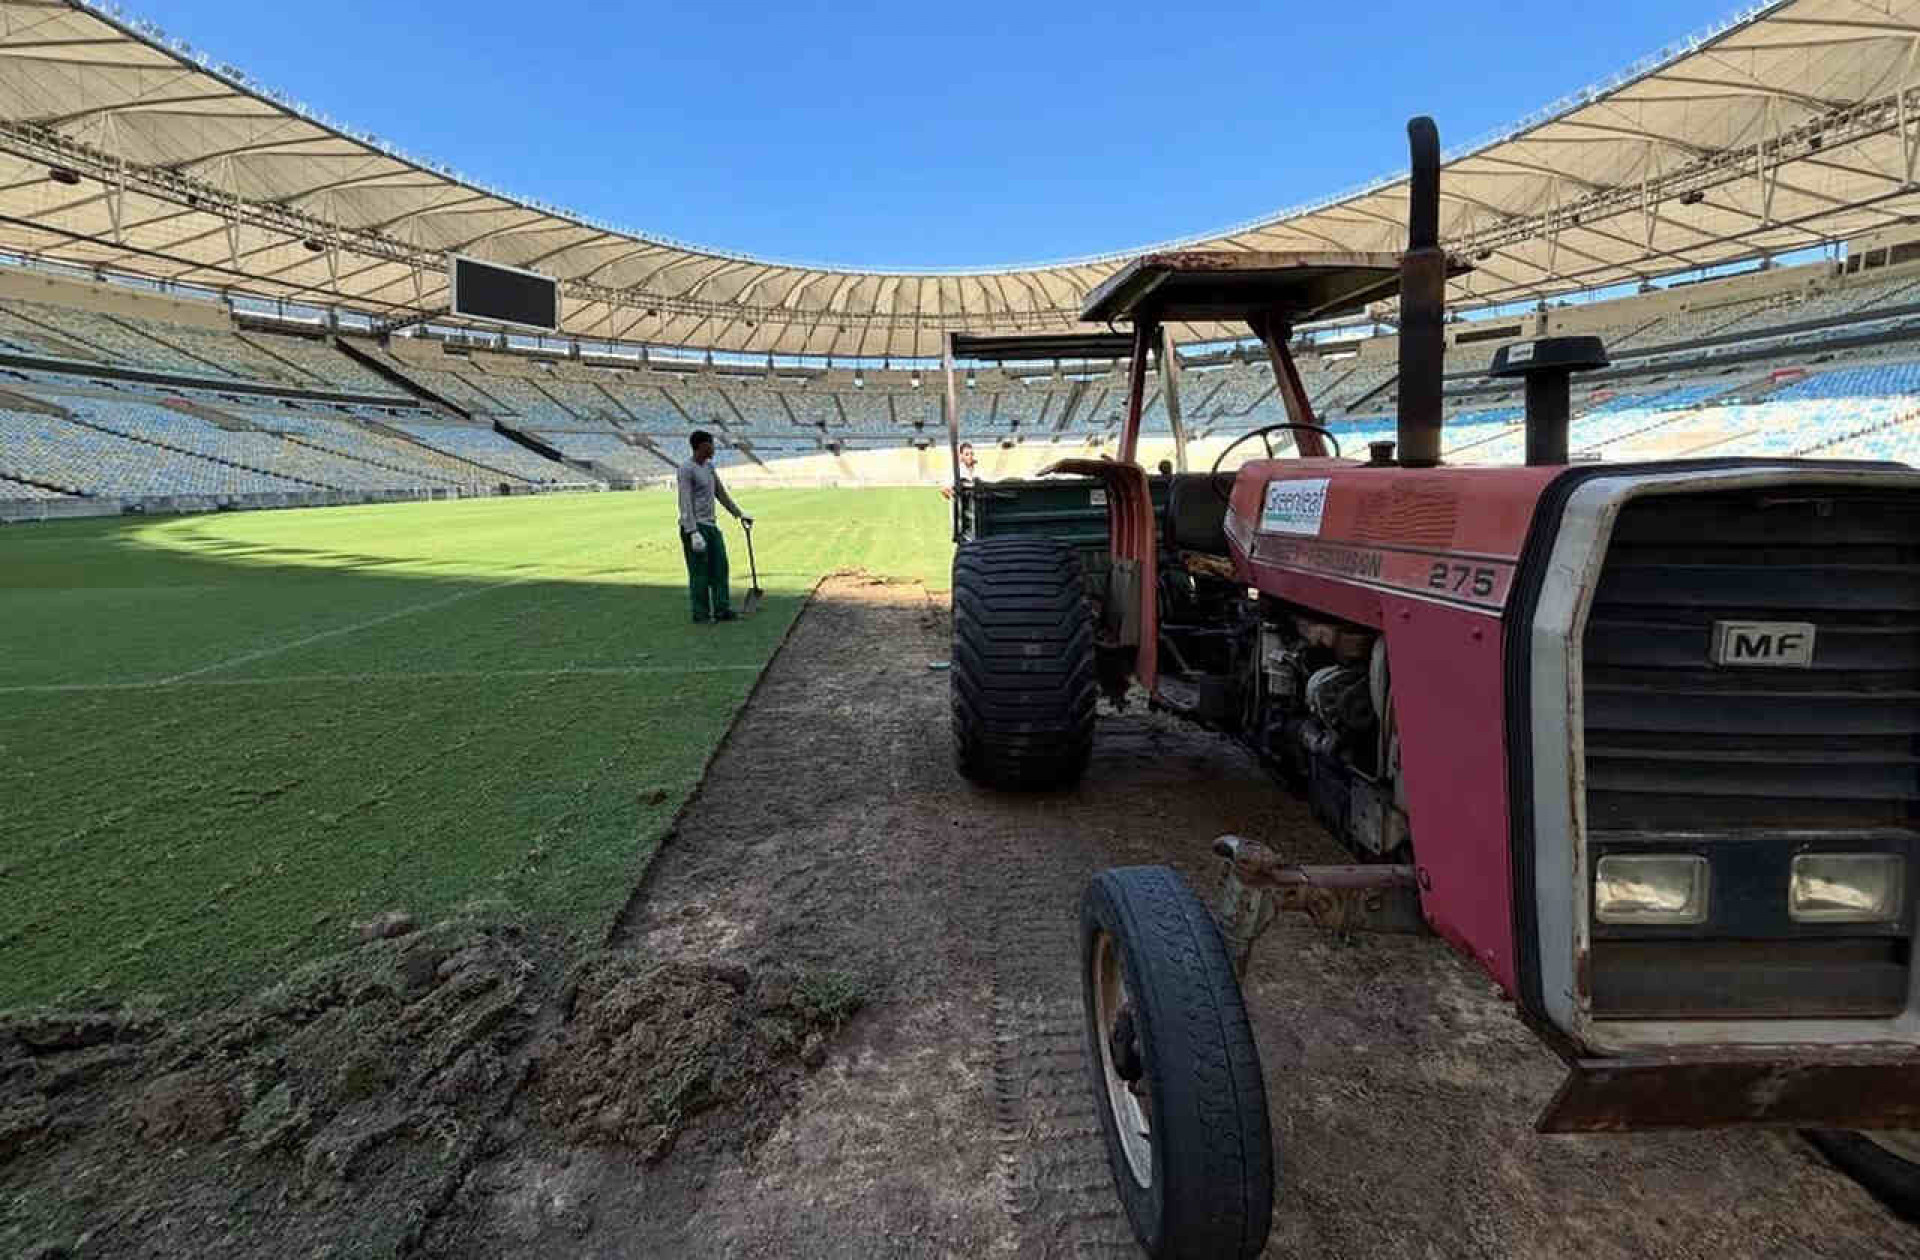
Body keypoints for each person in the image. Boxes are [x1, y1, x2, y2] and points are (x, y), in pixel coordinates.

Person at [677, 430, 752, 624]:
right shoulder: (686, 469)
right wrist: (692, 532)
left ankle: (722, 609)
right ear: (701, 446)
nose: (714, 448)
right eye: (711, 444)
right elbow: (684, 501)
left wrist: (739, 513)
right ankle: (700, 614)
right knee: (699, 573)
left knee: (720, 568)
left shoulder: (709, 467)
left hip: (711, 526)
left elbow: (720, 493)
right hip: (695, 528)